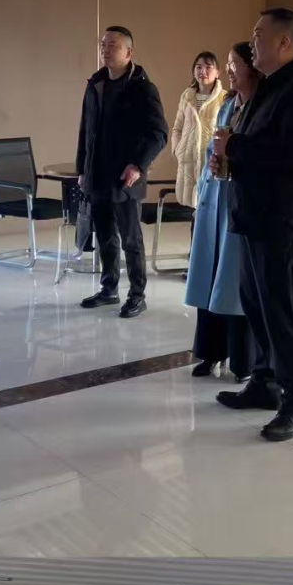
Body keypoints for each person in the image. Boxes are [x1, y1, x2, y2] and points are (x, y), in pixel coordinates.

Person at [211, 8, 293, 442]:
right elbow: (250, 143)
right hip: (253, 214)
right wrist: (227, 158)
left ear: (284, 42)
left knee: (284, 314)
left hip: (282, 220)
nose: (252, 41)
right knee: (257, 306)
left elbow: (291, 156)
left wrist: (235, 147)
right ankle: (265, 382)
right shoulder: (268, 87)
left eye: (259, 35)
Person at [75, 25, 168, 320]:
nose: (105, 49)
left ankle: (137, 295)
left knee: (130, 239)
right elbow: (85, 131)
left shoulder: (142, 87)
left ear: (129, 52)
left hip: (126, 177)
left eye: (113, 45)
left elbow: (159, 133)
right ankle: (109, 289)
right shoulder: (96, 83)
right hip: (97, 175)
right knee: (104, 236)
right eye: (103, 44)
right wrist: (82, 168)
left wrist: (138, 164)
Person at [187, 41, 261, 380]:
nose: (229, 70)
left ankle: (243, 361)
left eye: (234, 64)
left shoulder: (262, 108)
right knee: (210, 274)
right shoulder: (229, 105)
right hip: (215, 198)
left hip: (239, 202)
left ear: (252, 68)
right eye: (228, 64)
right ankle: (210, 352)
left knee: (233, 282)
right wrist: (213, 164)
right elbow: (212, 148)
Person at [171, 51, 225, 210]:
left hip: (212, 162)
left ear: (217, 72)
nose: (203, 71)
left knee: (210, 210)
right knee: (193, 211)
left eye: (208, 67)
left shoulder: (225, 98)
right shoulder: (186, 96)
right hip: (188, 161)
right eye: (199, 67)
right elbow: (177, 128)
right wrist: (177, 150)